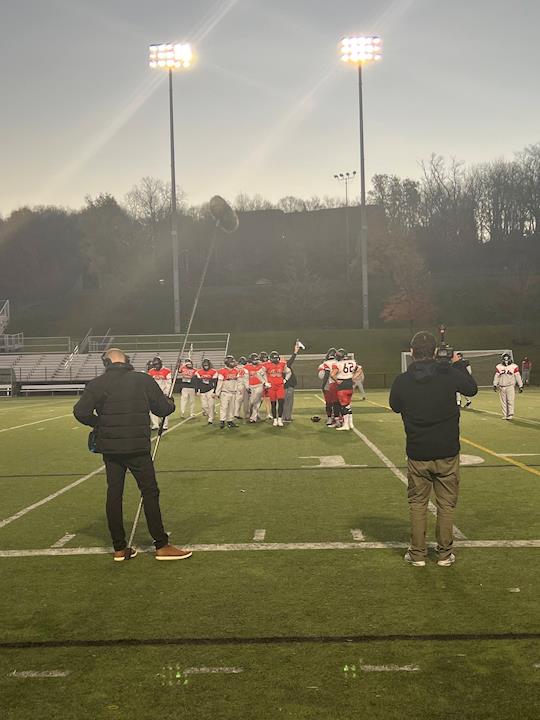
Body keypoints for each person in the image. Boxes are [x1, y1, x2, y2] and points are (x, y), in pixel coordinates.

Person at [73, 348, 192, 562]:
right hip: (137, 447)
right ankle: (161, 545)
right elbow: (163, 410)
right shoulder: (142, 379)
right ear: (127, 361)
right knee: (149, 492)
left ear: (106, 363)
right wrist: (170, 401)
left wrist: (99, 423)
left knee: (114, 494)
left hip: (110, 449)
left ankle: (119, 548)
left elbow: (80, 412)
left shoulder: (97, 384)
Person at [389, 331, 478, 567]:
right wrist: (455, 365)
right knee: (446, 504)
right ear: (435, 353)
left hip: (418, 452)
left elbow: (394, 406)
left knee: (417, 503)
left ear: (411, 352)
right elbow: (471, 389)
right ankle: (444, 554)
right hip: (447, 451)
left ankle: (417, 554)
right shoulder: (447, 375)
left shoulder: (403, 380)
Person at [262, 342, 300, 427]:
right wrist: (265, 382)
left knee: (282, 403)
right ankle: (277, 419)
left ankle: (281, 418)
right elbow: (260, 373)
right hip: (274, 386)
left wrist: (285, 380)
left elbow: (288, 371)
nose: (281, 360)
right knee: (274, 403)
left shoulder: (283, 365)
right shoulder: (268, 365)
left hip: (281, 386)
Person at [330, 349, 364, 431]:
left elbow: (332, 374)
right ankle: (350, 423)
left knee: (344, 406)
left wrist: (337, 381)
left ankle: (346, 425)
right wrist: (353, 377)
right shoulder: (352, 362)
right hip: (349, 384)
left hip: (342, 385)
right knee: (348, 405)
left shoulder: (337, 364)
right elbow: (359, 370)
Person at [493, 353, 523, 420]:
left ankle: (510, 414)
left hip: (510, 386)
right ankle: (505, 414)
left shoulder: (514, 366)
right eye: (505, 359)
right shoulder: (499, 366)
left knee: (510, 400)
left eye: (507, 359)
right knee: (503, 401)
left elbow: (518, 376)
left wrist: (520, 385)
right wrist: (495, 384)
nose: (506, 360)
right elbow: (497, 376)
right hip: (501, 386)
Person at [147, 356, 172, 430]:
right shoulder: (151, 371)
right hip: (154, 393)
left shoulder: (167, 371)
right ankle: (155, 424)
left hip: (163, 393)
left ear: (161, 363)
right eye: (155, 365)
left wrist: (167, 392)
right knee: (152, 409)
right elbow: (149, 382)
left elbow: (169, 382)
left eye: (158, 364)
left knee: (164, 408)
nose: (156, 366)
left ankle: (165, 425)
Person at [215, 355, 240, 429]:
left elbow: (238, 382)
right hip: (225, 392)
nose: (233, 363)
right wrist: (217, 393)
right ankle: (222, 421)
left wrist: (238, 390)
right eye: (232, 362)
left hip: (233, 392)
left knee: (232, 408)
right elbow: (219, 383)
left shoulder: (236, 371)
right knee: (224, 407)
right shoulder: (222, 371)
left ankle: (230, 421)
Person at [318, 348, 339, 427]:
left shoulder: (324, 364)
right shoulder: (338, 362)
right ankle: (338, 418)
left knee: (329, 403)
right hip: (338, 384)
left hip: (328, 384)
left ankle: (330, 418)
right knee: (337, 403)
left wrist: (323, 386)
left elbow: (324, 375)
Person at [245, 352, 267, 423]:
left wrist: (265, 383)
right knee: (251, 402)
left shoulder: (261, 367)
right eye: (254, 360)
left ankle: (253, 418)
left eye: (256, 360)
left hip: (259, 385)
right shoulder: (247, 367)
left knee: (257, 402)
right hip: (251, 386)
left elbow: (264, 376)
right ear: (251, 360)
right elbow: (245, 378)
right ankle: (252, 414)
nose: (255, 361)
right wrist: (247, 387)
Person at [195, 359, 218, 425]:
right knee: (204, 406)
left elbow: (215, 382)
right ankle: (211, 414)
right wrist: (197, 390)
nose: (206, 367)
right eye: (204, 365)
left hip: (210, 389)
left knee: (211, 404)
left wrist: (215, 391)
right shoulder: (199, 372)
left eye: (207, 365)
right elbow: (197, 382)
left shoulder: (213, 371)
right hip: (202, 390)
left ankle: (210, 418)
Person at [234, 356, 250, 420]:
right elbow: (245, 380)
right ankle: (237, 414)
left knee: (236, 401)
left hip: (234, 386)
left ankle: (235, 413)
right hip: (241, 386)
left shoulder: (234, 368)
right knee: (241, 401)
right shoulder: (245, 370)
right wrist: (247, 388)